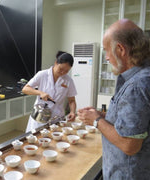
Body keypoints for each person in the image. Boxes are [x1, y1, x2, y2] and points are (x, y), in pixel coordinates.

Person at [77, 19, 150, 179]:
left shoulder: (136, 86)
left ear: (120, 49)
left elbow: (130, 144)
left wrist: (96, 121)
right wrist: (104, 116)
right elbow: (137, 122)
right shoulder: (140, 76)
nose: (107, 58)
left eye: (106, 51)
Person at [22, 51, 77, 132]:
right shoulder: (42, 75)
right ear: (56, 63)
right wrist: (40, 93)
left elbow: (72, 100)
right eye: (61, 69)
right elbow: (25, 89)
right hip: (39, 117)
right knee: (36, 141)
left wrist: (72, 112)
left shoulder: (68, 80)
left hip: (57, 118)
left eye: (66, 71)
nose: (62, 73)